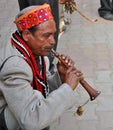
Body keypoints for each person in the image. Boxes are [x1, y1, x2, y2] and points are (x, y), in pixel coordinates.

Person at [0, 4, 83, 130]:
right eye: (46, 35)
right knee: (38, 104)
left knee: (39, 98)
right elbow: (31, 121)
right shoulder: (15, 67)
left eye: (53, 34)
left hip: (17, 102)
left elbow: (41, 84)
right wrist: (67, 88)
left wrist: (59, 78)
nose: (52, 41)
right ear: (27, 34)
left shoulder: (37, 52)